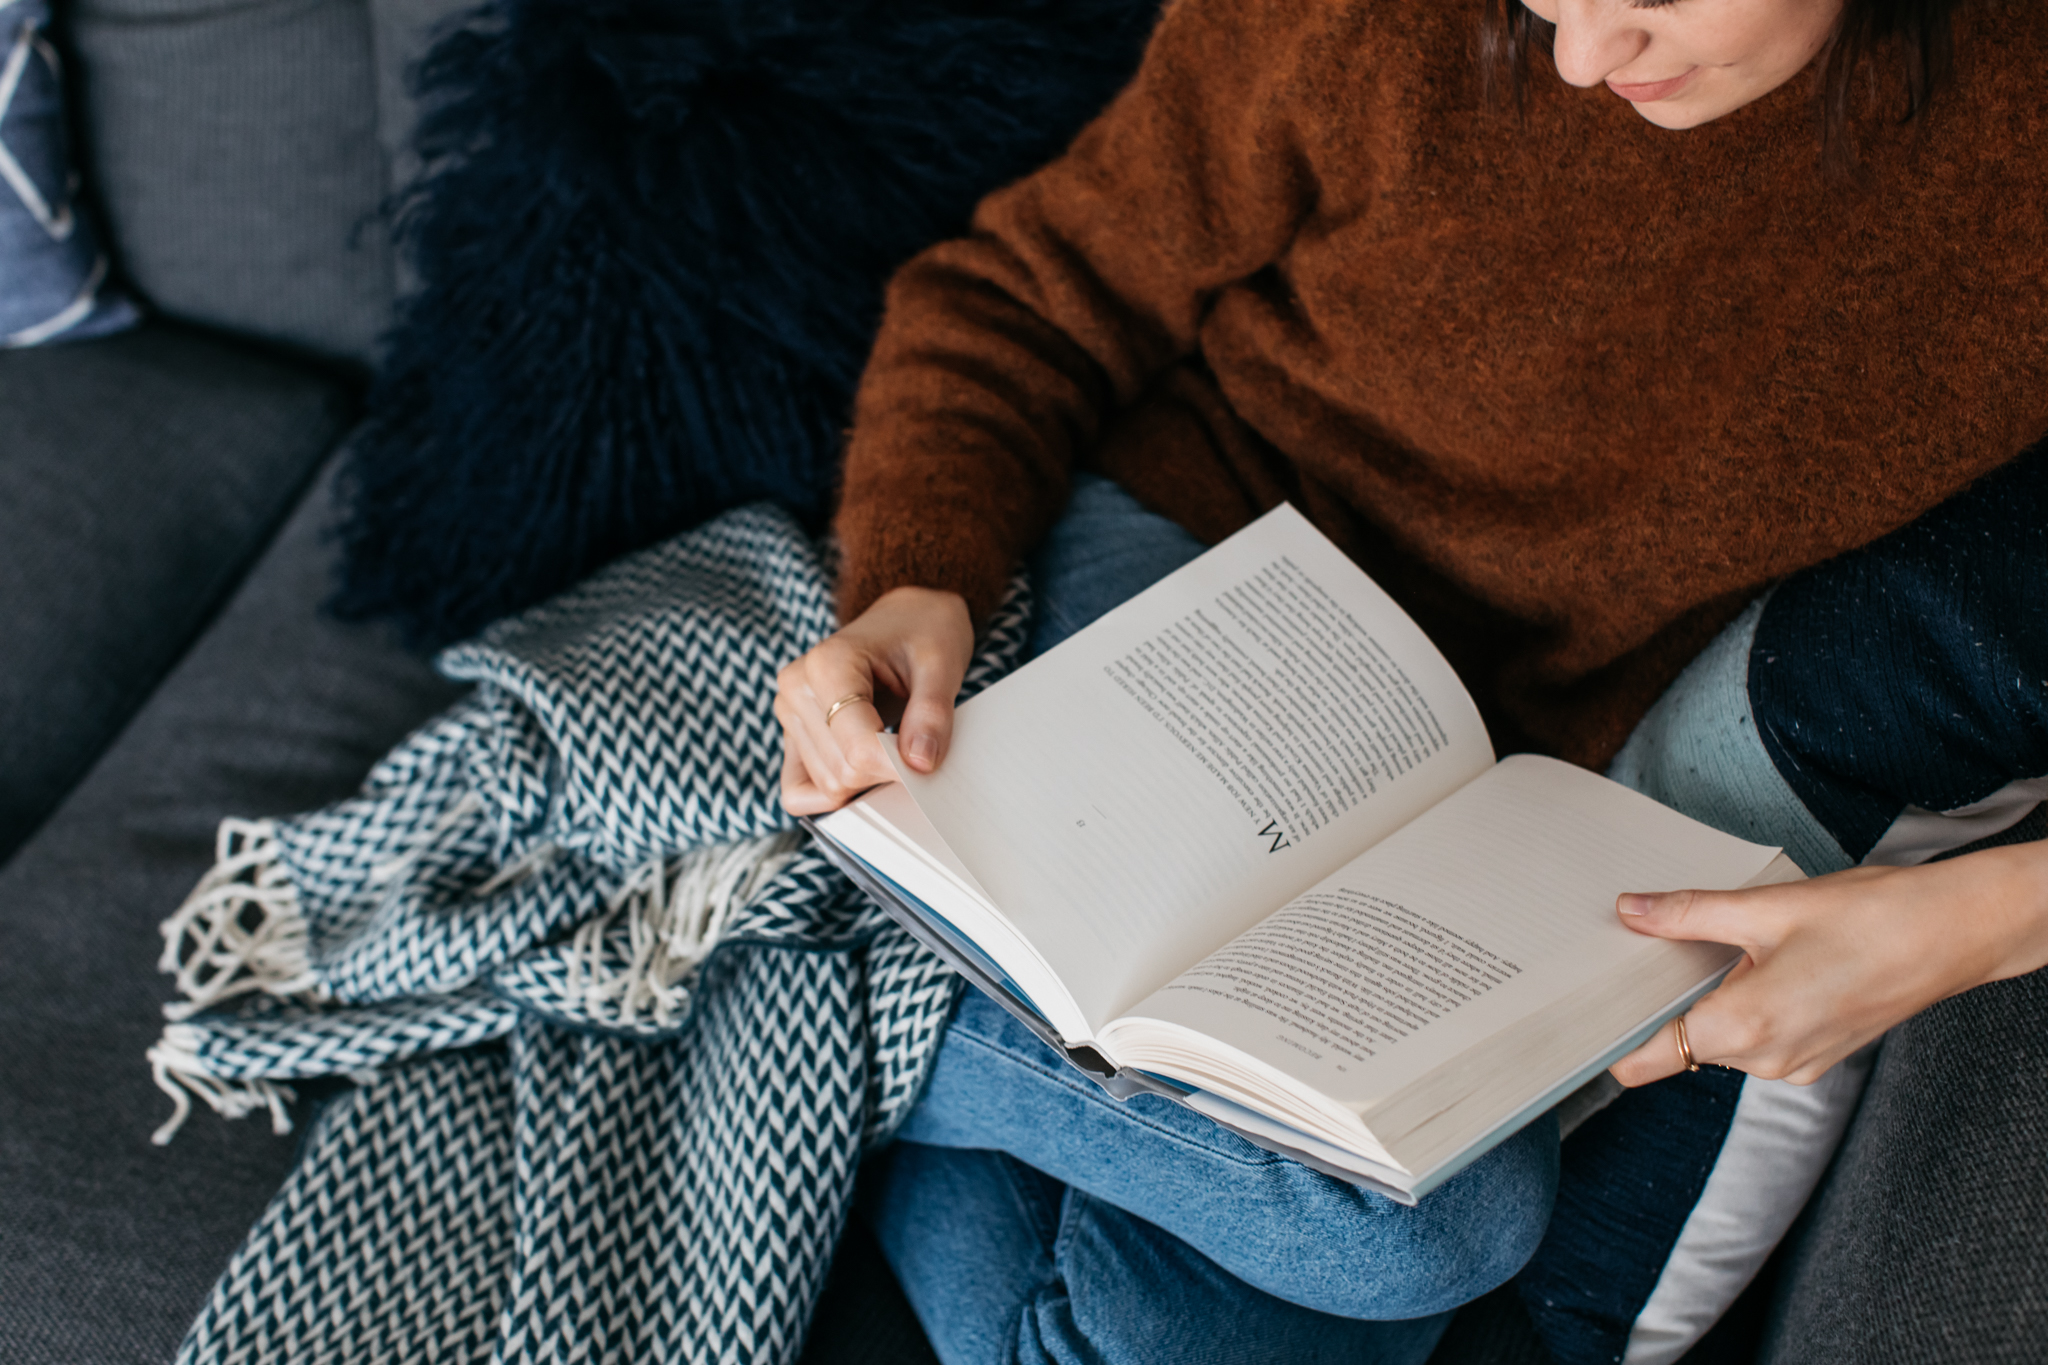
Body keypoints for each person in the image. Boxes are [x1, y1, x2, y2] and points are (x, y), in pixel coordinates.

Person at [774, 0, 2048, 1360]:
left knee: (1177, 1327)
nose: (1578, 58)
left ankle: (799, 1020)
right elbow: (1030, 290)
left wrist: (1975, 924)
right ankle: (798, 941)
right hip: (1199, 571)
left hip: (1494, 782)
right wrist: (921, 570)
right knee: (1423, 1223)